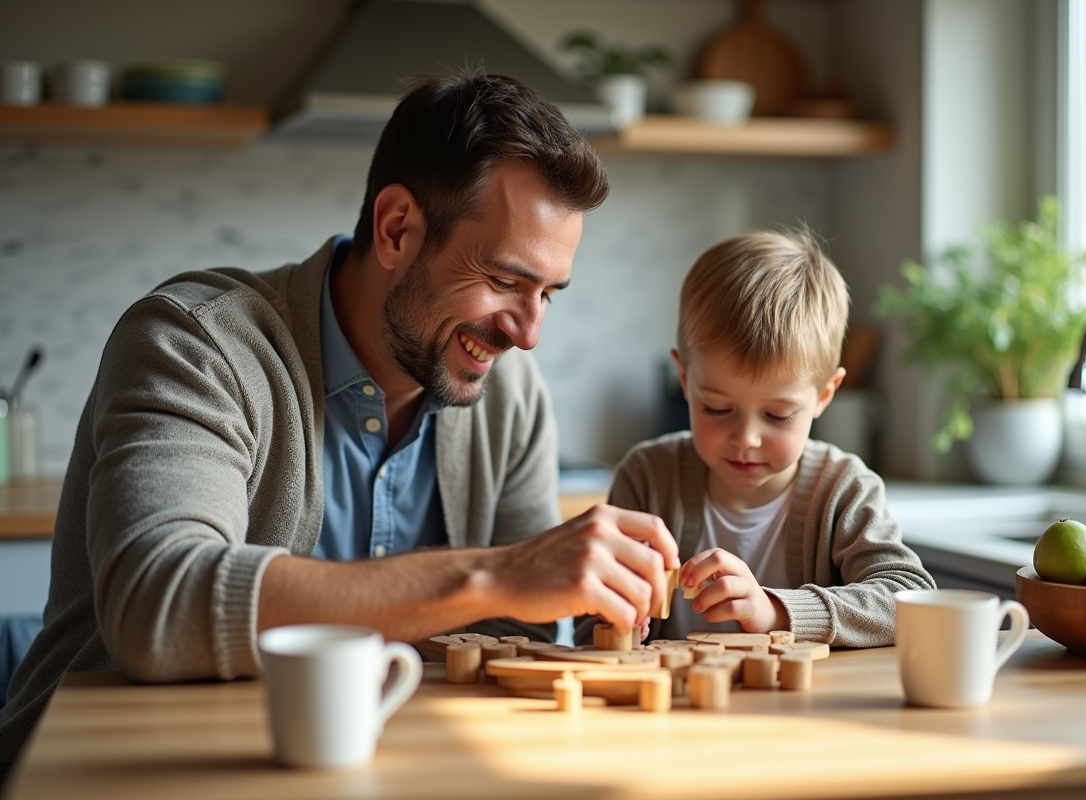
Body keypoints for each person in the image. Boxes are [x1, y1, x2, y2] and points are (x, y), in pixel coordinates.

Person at [0, 73, 679, 777]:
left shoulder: (507, 396)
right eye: (506, 281)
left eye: (548, 294)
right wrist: (492, 573)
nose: (528, 333)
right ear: (397, 229)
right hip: (107, 773)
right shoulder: (195, 344)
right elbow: (160, 603)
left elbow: (512, 641)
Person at [582, 229, 933, 647]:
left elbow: (910, 600)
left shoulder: (843, 489)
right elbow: (591, 620)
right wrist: (616, 621)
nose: (746, 438)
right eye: (717, 407)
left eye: (777, 415)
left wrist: (777, 611)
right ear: (684, 380)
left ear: (824, 396)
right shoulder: (647, 477)